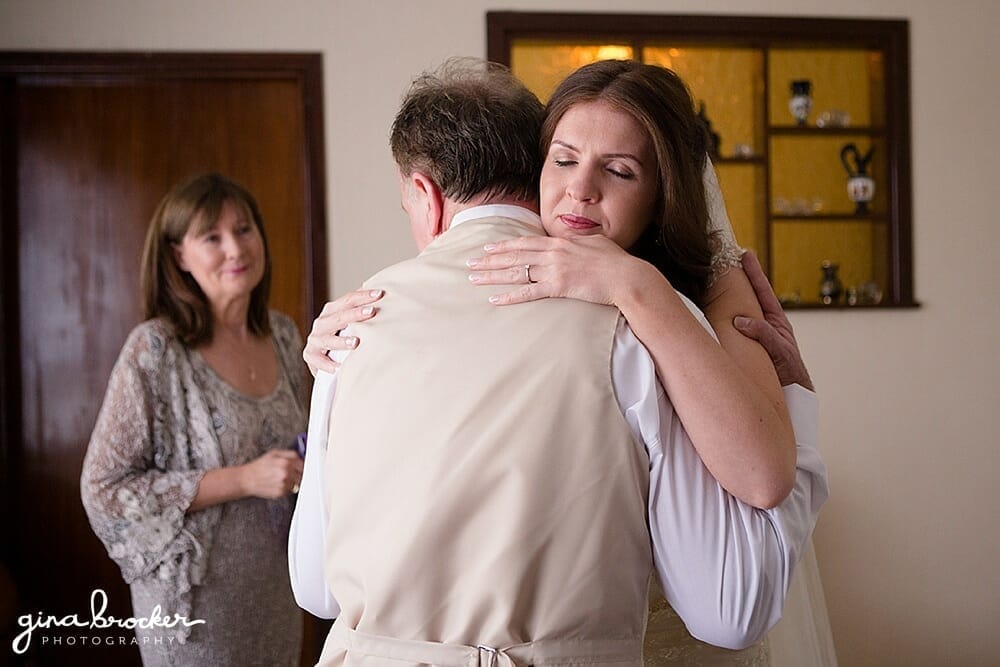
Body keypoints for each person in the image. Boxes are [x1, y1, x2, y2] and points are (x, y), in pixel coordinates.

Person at [289, 59, 827, 667]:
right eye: (565, 160)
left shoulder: (359, 322)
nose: (580, 189)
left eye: (620, 170)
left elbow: (317, 587)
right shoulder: (352, 328)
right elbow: (729, 608)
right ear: (536, 164)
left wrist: (640, 289)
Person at [80, 173, 307, 666]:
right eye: (212, 237)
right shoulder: (155, 350)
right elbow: (105, 489)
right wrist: (245, 478)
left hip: (278, 595)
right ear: (179, 256)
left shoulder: (287, 338)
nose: (235, 248)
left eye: (244, 229)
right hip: (194, 610)